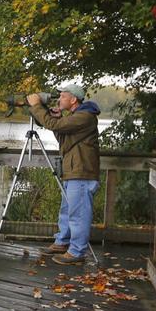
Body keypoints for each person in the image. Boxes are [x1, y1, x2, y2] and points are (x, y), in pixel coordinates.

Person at [25, 84, 101, 265]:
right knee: (67, 211)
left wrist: (36, 106)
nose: (59, 100)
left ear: (73, 99)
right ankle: (62, 242)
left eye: (63, 97)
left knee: (79, 214)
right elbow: (62, 136)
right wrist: (56, 118)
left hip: (82, 173)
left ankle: (77, 252)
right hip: (73, 171)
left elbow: (53, 125)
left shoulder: (85, 117)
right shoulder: (77, 117)